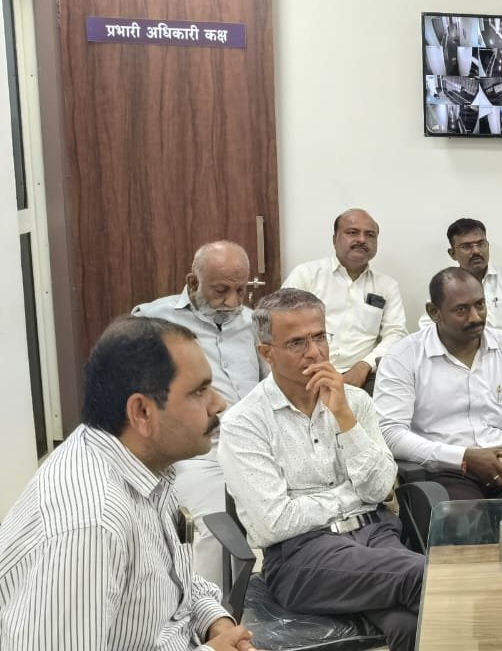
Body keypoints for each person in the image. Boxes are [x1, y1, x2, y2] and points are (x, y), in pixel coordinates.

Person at [0, 317, 255, 651]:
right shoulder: (89, 525)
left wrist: (214, 623)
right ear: (142, 413)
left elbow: (173, 585)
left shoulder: (144, 465)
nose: (219, 403)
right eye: (199, 391)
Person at [219, 289, 421, 651]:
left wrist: (344, 417)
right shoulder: (244, 423)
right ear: (266, 352)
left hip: (375, 535)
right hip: (302, 554)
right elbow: (274, 523)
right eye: (297, 342)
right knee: (428, 578)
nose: (315, 352)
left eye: (319, 337)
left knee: (410, 625)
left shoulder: (355, 402)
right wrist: (349, 497)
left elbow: (378, 490)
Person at [132, 240, 265, 586]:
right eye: (221, 291)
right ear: (192, 282)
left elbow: (272, 383)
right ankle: (205, 609)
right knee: (213, 528)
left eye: (241, 290)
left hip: (255, 439)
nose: (232, 302)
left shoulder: (253, 323)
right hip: (198, 446)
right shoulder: (153, 320)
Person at [378, 267, 502, 500]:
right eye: (461, 310)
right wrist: (463, 457)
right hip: (446, 470)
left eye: (480, 305)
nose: (476, 317)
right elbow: (390, 433)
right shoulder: (404, 356)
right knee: (470, 520)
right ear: (434, 312)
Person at [281, 208, 407, 394]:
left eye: (370, 235)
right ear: (335, 239)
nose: (362, 240)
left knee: (394, 393)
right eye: (352, 232)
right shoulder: (306, 275)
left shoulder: (387, 286)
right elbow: (282, 323)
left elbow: (396, 334)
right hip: (308, 369)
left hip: (365, 376)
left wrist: (364, 365)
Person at [419, 217, 502, 349]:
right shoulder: (445, 285)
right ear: (452, 253)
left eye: (481, 244)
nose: (476, 251)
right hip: (461, 353)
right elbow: (427, 327)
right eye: (466, 246)